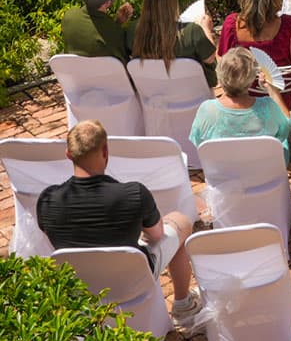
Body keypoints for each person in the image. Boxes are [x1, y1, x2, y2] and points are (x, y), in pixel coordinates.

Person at [36, 118, 199, 327]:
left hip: (79, 282)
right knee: (182, 221)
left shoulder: (48, 200)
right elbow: (157, 235)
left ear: (68, 154)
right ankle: (183, 305)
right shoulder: (134, 193)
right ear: (105, 151)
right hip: (133, 278)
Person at [189, 47, 291, 164]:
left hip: (225, 175)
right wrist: (272, 90)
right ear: (252, 77)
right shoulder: (268, 106)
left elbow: (198, 142)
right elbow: (286, 127)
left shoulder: (207, 109)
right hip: (266, 172)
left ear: (219, 74)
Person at [127, 0, 217, 87]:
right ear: (172, 3)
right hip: (193, 94)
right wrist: (205, 28)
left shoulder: (132, 30)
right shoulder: (192, 31)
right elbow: (210, 58)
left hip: (154, 95)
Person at [61, 0, 132, 62]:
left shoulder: (69, 17)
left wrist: (117, 23)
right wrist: (116, 25)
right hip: (104, 73)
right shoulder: (115, 32)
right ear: (108, 2)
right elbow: (124, 62)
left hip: (74, 73)